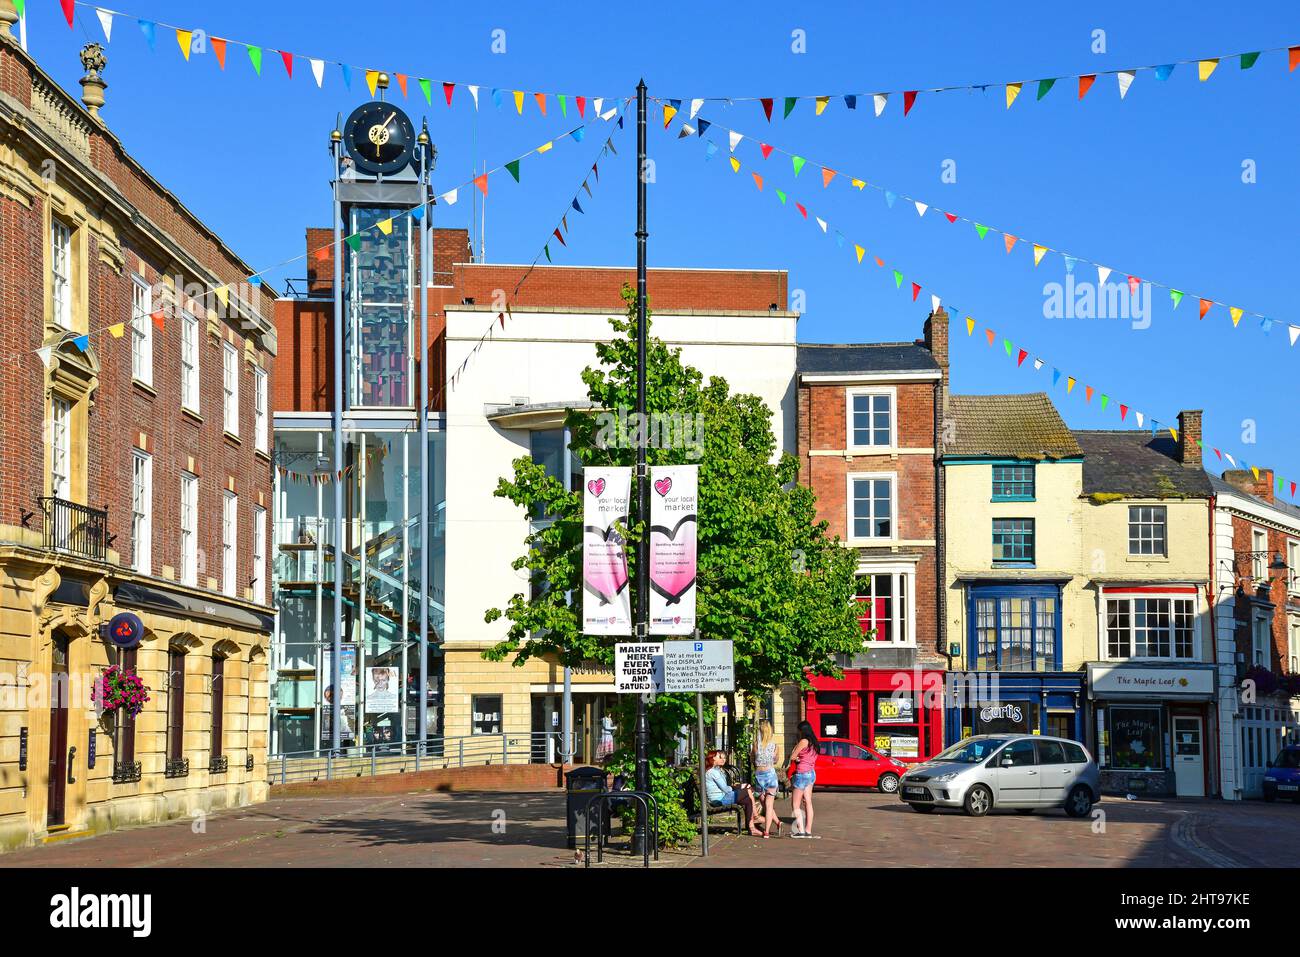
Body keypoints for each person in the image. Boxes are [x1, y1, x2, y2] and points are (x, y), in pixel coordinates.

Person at [704, 749, 762, 837]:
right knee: (747, 791)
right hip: (719, 800)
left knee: (747, 799)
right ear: (712, 758)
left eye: (724, 757)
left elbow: (726, 788)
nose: (723, 759)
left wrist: (738, 786)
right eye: (719, 757)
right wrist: (739, 787)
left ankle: (751, 827)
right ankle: (755, 819)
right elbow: (726, 789)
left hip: (722, 796)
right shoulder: (713, 772)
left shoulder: (717, 771)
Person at [751, 719, 784, 837]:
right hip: (770, 774)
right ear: (770, 732)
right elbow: (775, 761)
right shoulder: (775, 746)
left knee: (763, 801)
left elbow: (752, 760)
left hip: (759, 775)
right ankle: (769, 829)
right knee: (769, 804)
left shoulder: (755, 745)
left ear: (760, 731)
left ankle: (770, 828)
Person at [788, 721, 819, 838]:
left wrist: (796, 757)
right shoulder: (814, 742)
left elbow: (792, 756)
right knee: (808, 802)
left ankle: (800, 831)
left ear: (802, 731)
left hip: (801, 773)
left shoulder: (803, 741)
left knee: (795, 804)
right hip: (811, 773)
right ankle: (808, 830)